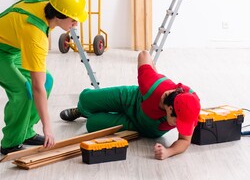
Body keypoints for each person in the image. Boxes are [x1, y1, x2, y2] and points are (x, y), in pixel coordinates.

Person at [0, 0, 88, 155]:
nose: (76, 23)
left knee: (47, 81)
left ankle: (26, 131)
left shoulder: (47, 3)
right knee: (24, 91)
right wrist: (48, 127)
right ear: (59, 15)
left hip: (14, 47)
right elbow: (37, 87)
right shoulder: (35, 35)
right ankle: (11, 142)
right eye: (73, 19)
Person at [60, 50, 201, 160]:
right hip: (131, 98)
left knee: (92, 124)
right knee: (86, 99)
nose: (178, 126)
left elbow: (184, 140)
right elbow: (144, 54)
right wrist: (155, 75)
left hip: (140, 126)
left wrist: (168, 152)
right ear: (170, 109)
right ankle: (82, 110)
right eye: (177, 121)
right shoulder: (150, 85)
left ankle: (88, 114)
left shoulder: (191, 105)